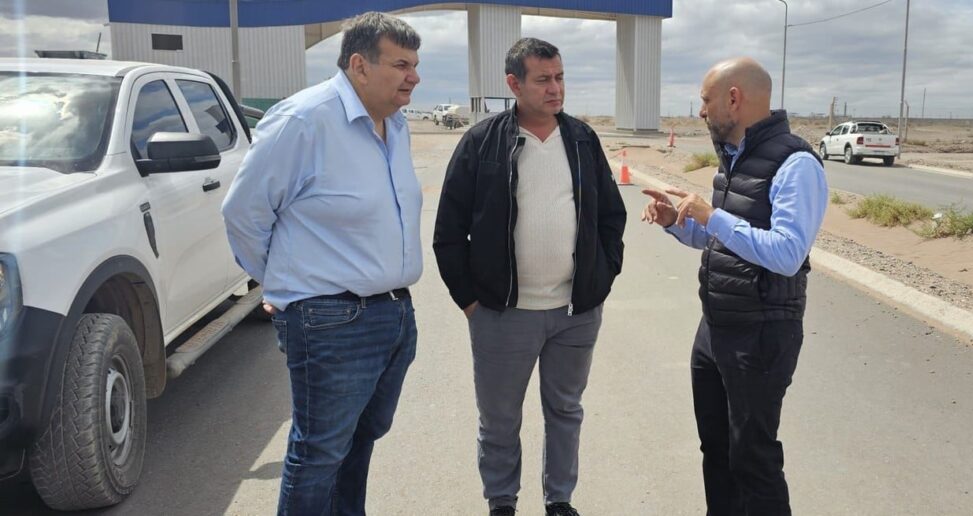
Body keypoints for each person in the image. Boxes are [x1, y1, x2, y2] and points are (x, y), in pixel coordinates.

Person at [221, 12, 422, 516]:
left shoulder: (396, 125)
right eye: (401, 65)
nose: (414, 77)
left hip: (393, 313)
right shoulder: (304, 120)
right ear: (359, 65)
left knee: (361, 439)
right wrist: (283, 285)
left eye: (414, 65)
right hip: (330, 320)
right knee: (319, 454)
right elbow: (244, 213)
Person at [433, 38, 626, 516]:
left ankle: (559, 500)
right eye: (543, 79)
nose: (555, 88)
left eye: (559, 77)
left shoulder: (582, 139)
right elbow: (449, 231)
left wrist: (600, 281)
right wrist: (470, 301)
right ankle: (502, 502)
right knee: (499, 420)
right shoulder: (482, 142)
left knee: (566, 411)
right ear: (514, 84)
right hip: (502, 315)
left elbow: (611, 217)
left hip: (574, 314)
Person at [641, 57, 827, 515]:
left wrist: (713, 216)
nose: (701, 111)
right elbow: (722, 238)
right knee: (718, 450)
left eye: (706, 100)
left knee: (753, 458)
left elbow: (787, 253)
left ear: (734, 98)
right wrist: (677, 223)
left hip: (761, 332)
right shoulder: (733, 158)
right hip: (716, 327)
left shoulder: (796, 164)